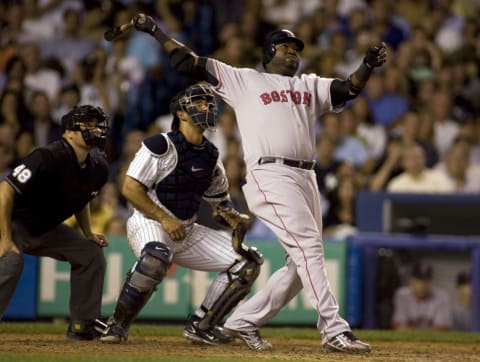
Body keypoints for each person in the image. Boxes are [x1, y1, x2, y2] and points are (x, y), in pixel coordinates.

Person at [130, 12, 387, 353]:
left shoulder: (307, 84)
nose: (292, 52)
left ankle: (243, 320)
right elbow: (186, 62)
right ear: (268, 53)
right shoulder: (244, 80)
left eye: (295, 47)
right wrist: (156, 31)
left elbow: (348, 88)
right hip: (271, 173)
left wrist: (366, 65)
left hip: (306, 175)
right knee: (309, 247)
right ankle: (334, 329)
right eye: (283, 46)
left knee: (301, 263)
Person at [99, 83, 263, 345]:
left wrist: (231, 216)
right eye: (199, 103)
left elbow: (219, 202)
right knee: (155, 257)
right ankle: (116, 327)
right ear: (181, 113)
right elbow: (129, 187)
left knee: (249, 261)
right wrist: (164, 218)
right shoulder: (160, 144)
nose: (207, 107)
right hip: (149, 222)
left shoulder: (211, 154)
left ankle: (203, 324)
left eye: (209, 103)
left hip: (186, 229)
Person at [0, 105, 110, 340]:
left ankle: (83, 325)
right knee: (12, 260)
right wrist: (5, 238)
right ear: (69, 132)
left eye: (96, 124)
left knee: (90, 253)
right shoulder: (46, 156)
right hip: (13, 222)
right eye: (87, 124)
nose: (95, 129)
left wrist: (89, 232)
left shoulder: (99, 167)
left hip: (46, 228)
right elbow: (5, 190)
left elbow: (83, 198)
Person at [392, 261, 452, 331]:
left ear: (431, 281)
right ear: (411, 280)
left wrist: (411, 331)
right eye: (419, 280)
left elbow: (443, 328)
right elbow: (398, 326)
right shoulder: (402, 295)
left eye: (426, 281)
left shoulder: (441, 296)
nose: (422, 285)